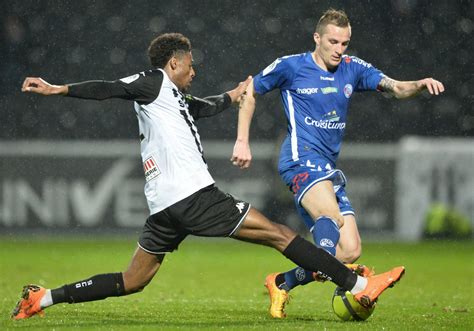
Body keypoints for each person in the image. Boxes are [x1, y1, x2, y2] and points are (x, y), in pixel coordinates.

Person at [12, 32, 404, 321]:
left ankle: (43, 298)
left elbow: (204, 106)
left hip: (164, 207)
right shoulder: (152, 82)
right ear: (173, 64)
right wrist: (58, 89)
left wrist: (234, 96)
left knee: (132, 280)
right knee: (280, 235)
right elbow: (109, 88)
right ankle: (358, 286)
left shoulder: (174, 99)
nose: (194, 71)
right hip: (192, 195)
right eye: (189, 65)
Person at [231, 9, 443, 318]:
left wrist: (419, 83)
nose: (339, 49)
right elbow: (250, 90)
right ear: (317, 38)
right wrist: (242, 140)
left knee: (348, 250)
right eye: (333, 41)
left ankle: (281, 282)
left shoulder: (352, 68)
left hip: (328, 168)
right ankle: (356, 284)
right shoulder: (290, 66)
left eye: (345, 43)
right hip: (299, 160)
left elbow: (396, 87)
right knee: (331, 217)